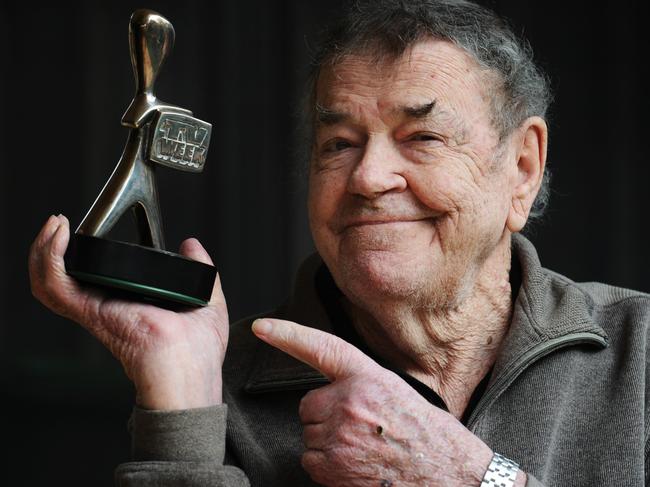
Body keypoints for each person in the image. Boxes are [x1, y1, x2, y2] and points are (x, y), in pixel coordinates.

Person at [28, 0, 650, 486]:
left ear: (522, 168)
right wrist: (183, 401)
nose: (368, 178)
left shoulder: (640, 350)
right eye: (339, 145)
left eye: (422, 137)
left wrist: (468, 476)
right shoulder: (217, 381)